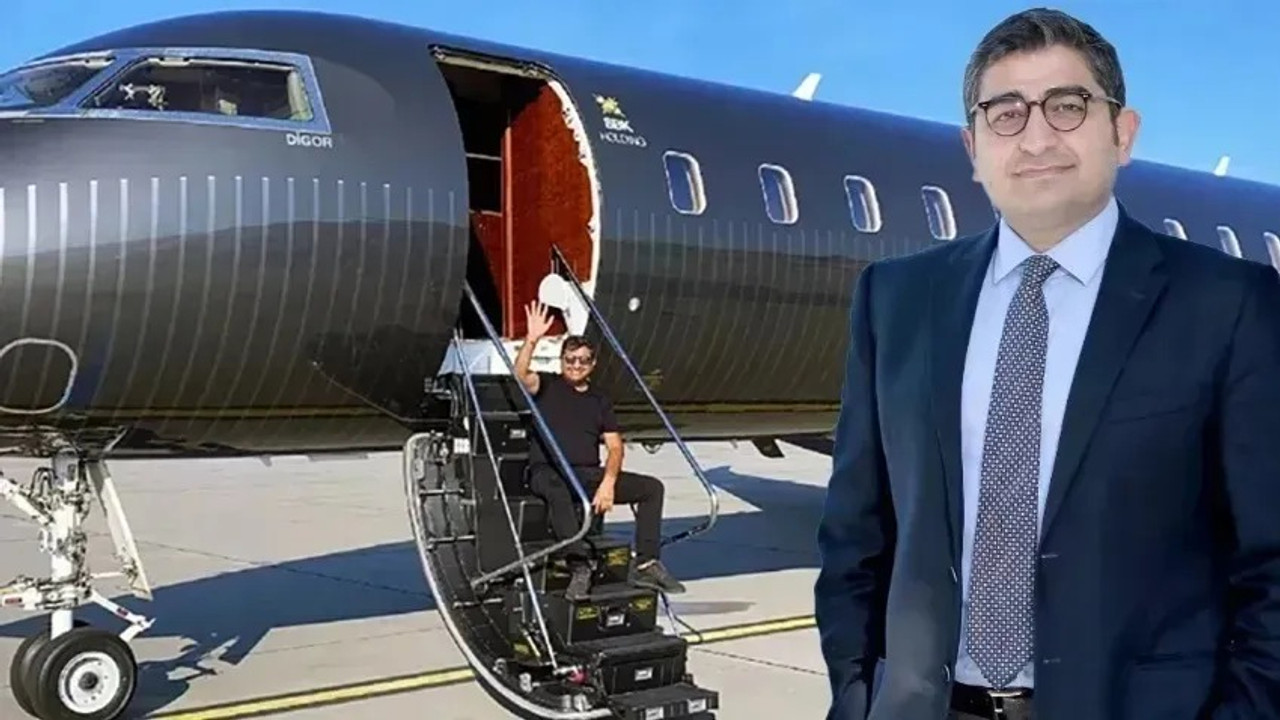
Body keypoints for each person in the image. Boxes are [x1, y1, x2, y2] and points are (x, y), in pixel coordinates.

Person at [814, 7, 1280, 720]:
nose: (1036, 138)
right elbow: (856, 535)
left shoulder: (1229, 304)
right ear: (973, 148)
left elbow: (1270, 561)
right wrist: (855, 698)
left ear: (1123, 133)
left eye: (1068, 106)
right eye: (1006, 113)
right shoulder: (896, 300)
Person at [514, 300, 686, 600]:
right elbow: (520, 375)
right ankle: (579, 565)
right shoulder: (548, 386)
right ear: (561, 361)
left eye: (582, 361)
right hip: (548, 471)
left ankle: (647, 563)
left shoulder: (599, 400)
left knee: (651, 489)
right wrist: (531, 340)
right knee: (558, 491)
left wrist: (608, 482)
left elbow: (615, 447)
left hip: (588, 474)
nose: (575, 365)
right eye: (570, 360)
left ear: (592, 364)